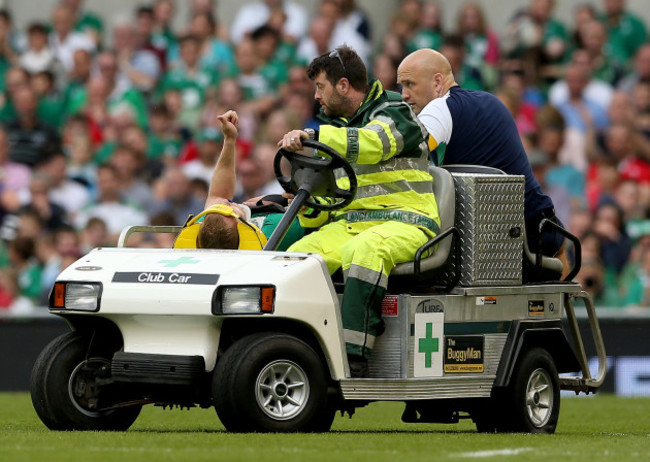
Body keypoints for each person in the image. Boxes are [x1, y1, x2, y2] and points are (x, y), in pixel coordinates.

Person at [279, 46, 438, 376]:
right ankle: (290, 347)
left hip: (407, 221)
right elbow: (325, 210)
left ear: (342, 85)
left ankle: (353, 356)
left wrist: (314, 135)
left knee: (366, 250)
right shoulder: (335, 129)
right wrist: (303, 195)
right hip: (353, 223)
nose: (316, 96)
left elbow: (373, 143)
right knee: (296, 257)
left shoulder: (395, 110)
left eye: (320, 87)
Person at [397, 48, 564, 264]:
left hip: (507, 245)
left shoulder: (439, 107)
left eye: (410, 84)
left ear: (437, 83)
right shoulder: (491, 101)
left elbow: (404, 154)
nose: (403, 95)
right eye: (401, 86)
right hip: (542, 230)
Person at [179, 110, 304, 251]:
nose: (225, 202)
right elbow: (309, 213)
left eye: (216, 209)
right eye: (228, 209)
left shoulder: (212, 231)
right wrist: (282, 200)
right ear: (239, 227)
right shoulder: (275, 233)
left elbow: (218, 195)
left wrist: (229, 139)